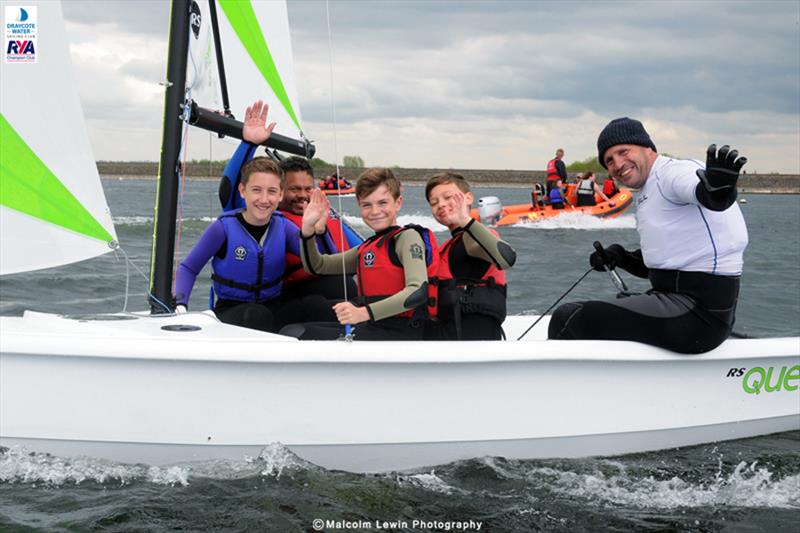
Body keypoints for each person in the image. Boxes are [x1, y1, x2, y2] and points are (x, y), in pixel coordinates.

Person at [548, 117, 749, 354]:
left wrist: (719, 191)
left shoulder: (673, 173)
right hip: (689, 307)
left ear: (648, 148)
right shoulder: (650, 188)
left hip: (699, 316)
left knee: (568, 318)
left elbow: (709, 196)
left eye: (623, 152)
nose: (618, 164)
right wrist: (620, 256)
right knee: (620, 300)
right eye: (609, 160)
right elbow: (667, 263)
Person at [173, 151, 334, 332]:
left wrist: (318, 231)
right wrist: (180, 305)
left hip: (273, 306)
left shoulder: (283, 227)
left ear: (280, 195)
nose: (264, 200)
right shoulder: (222, 228)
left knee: (316, 304)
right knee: (257, 314)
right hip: (231, 310)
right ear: (243, 191)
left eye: (272, 191)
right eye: (256, 190)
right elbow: (189, 268)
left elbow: (322, 263)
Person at [218, 100, 362, 301]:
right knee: (339, 286)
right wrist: (249, 143)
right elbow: (228, 190)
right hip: (291, 296)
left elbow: (366, 251)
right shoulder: (267, 217)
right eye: (294, 189)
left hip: (337, 289)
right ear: (280, 191)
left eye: (307, 189)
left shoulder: (325, 214)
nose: (302, 195)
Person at [281, 168, 437, 340]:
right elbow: (316, 266)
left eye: (382, 203)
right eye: (366, 205)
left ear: (398, 203)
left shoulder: (407, 238)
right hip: (373, 326)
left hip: (401, 333)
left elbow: (418, 292)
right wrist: (308, 230)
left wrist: (364, 312)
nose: (375, 211)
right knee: (292, 329)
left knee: (295, 334)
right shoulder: (368, 248)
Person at [424, 172, 516, 340]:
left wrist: (465, 220)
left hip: (473, 349)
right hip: (448, 340)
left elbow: (506, 258)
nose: (441, 205)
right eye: (434, 202)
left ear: (468, 198)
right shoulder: (445, 249)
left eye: (447, 197)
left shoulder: (473, 240)